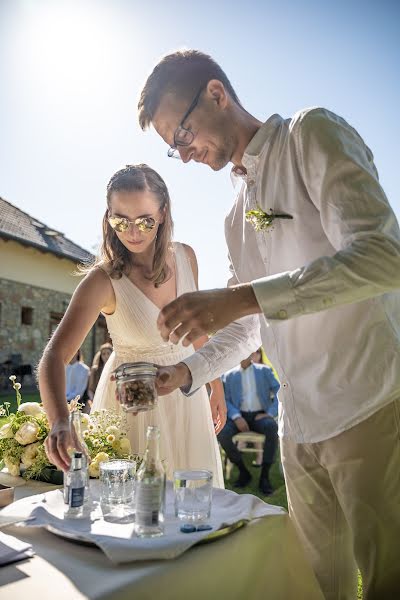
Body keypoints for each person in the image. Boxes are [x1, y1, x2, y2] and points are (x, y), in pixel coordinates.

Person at [138, 50, 400, 599]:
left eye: (181, 134)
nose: (182, 155)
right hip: (297, 424)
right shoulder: (235, 215)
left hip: (368, 401)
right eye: (172, 146)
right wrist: (187, 373)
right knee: (311, 583)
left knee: (386, 579)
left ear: (216, 94)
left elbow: (383, 256)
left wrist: (244, 297)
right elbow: (249, 324)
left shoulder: (311, 134)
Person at [38, 163, 226, 487]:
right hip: (132, 408)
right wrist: (58, 421)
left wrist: (216, 385)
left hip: (187, 396)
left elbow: (195, 330)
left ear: (163, 213)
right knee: (132, 512)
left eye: (144, 220)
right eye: (120, 220)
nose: (133, 232)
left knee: (193, 508)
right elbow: (54, 356)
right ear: (108, 217)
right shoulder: (103, 279)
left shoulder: (187, 257)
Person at [218, 353, 279, 494]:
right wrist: (236, 416)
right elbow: (225, 399)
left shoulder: (264, 371)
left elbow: (279, 391)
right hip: (239, 416)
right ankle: (243, 472)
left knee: (271, 427)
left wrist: (270, 413)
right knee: (222, 432)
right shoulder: (229, 375)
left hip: (260, 415)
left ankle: (265, 476)